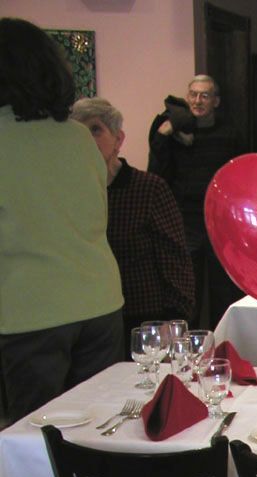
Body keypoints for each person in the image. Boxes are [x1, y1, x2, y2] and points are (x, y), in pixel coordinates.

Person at [0, 18, 123, 421]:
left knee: (35, 436)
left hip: (31, 309)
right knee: (99, 430)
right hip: (98, 298)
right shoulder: (76, 136)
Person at [71, 97, 195, 357]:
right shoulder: (68, 193)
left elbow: (175, 258)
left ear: (118, 139)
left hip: (144, 320)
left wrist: (174, 319)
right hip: (86, 320)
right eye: (78, 131)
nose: (86, 139)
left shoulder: (148, 189)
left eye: (95, 129)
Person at [148, 75, 242, 329]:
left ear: (216, 101)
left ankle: (223, 344)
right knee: (188, 288)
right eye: (193, 94)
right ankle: (186, 348)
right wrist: (167, 133)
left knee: (223, 290)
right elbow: (157, 170)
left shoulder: (229, 133)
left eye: (204, 95)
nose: (197, 101)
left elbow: (237, 178)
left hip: (218, 220)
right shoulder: (171, 129)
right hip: (184, 219)